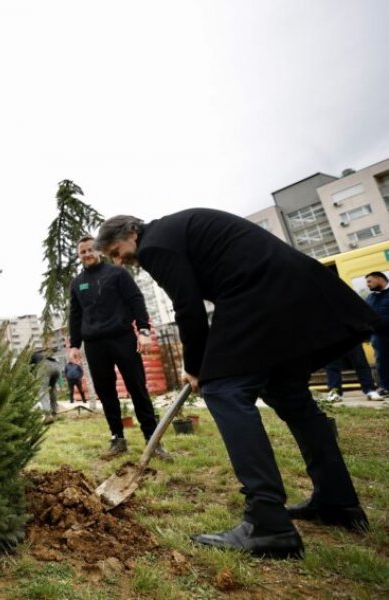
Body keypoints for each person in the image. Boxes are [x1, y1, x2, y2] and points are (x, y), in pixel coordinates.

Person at [95, 209, 375, 558]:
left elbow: (188, 308)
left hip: (261, 292)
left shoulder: (154, 245)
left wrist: (195, 367)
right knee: (288, 395)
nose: (119, 262)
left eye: (115, 252)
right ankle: (337, 500)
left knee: (223, 391)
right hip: (293, 289)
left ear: (131, 232)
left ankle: (268, 524)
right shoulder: (173, 231)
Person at [68, 235, 169, 460]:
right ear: (79, 256)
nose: (87, 254)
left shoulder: (117, 273)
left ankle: (153, 440)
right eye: (82, 252)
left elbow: (136, 300)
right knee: (106, 392)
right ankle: (117, 439)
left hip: (122, 338)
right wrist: (75, 344)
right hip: (94, 345)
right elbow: (75, 316)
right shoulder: (77, 283)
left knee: (137, 389)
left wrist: (143, 330)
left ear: (99, 250)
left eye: (90, 249)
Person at [365, 271, 389, 395]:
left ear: (379, 279)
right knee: (382, 362)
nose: (367, 285)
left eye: (369, 281)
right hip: (378, 336)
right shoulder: (370, 298)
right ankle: (385, 387)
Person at [30, 347, 61, 416]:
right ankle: (55, 412)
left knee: (42, 391)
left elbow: (30, 370)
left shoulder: (31, 355)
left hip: (44, 366)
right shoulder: (44, 354)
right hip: (56, 365)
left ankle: (48, 414)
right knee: (52, 389)